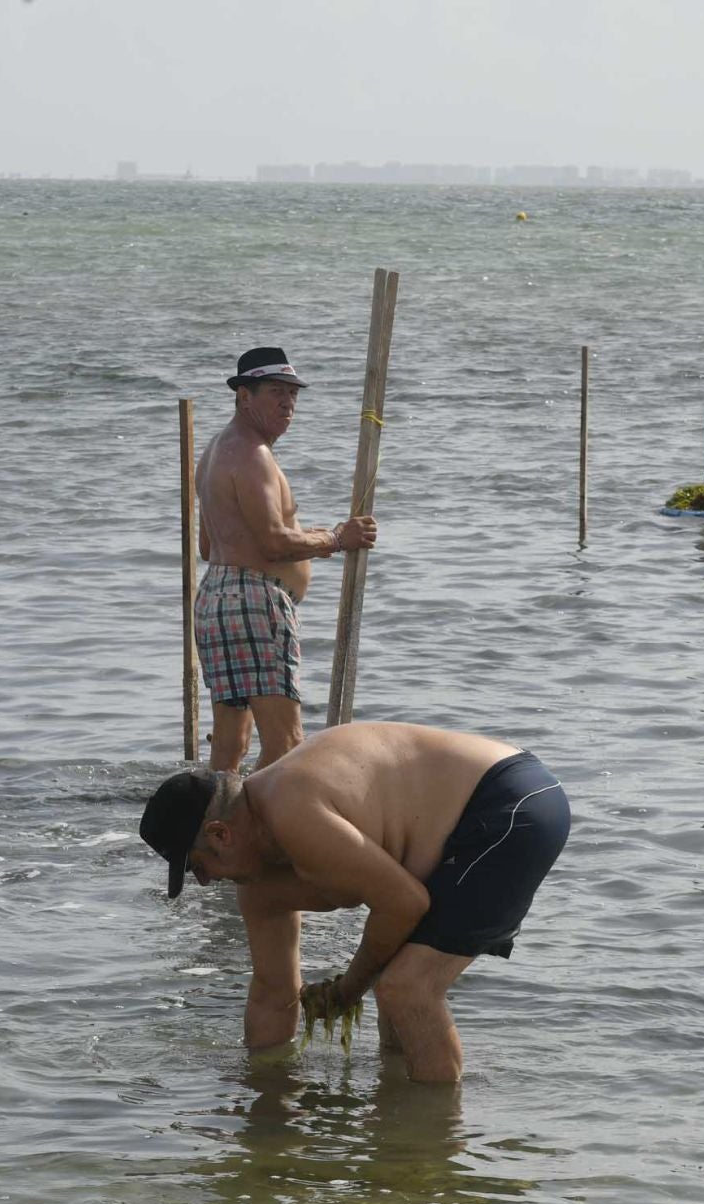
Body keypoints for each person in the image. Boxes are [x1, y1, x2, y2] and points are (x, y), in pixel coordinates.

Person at [138, 721, 571, 1083]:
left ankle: (432, 1145)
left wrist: (348, 989)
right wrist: (262, 1091)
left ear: (220, 834)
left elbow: (404, 904)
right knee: (396, 997)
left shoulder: (291, 811)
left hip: (510, 801)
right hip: (470, 819)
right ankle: (397, 1123)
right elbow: (273, 993)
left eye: (197, 867)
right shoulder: (257, 886)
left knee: (407, 989)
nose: (204, 882)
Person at [194, 347, 378, 773]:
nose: (288, 403)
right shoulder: (254, 454)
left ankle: (217, 814)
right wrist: (337, 538)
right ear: (244, 396)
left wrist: (315, 538)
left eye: (293, 394)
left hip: (217, 599)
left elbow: (211, 545)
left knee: (230, 747)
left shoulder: (216, 450)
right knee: (286, 745)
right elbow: (274, 544)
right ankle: (263, 816)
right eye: (276, 392)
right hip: (254, 604)